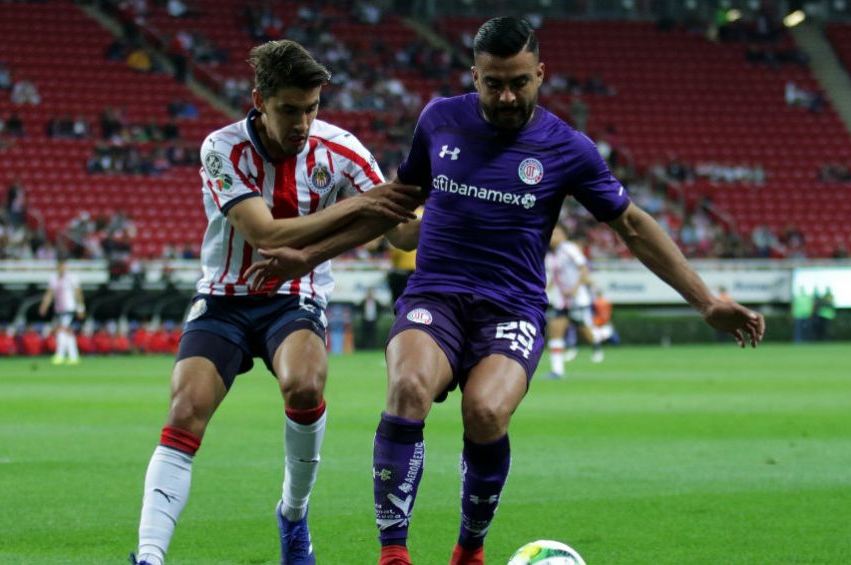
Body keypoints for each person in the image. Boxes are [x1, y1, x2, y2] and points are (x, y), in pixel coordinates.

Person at [243, 17, 764, 565]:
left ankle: (469, 550)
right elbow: (393, 208)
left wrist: (707, 301)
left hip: (511, 307)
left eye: (518, 81)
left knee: (486, 413)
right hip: (435, 295)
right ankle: (393, 555)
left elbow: (632, 224)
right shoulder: (440, 120)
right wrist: (307, 255)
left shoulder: (568, 148)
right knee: (407, 389)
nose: (506, 94)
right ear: (475, 75)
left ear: (540, 74)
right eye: (493, 82)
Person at [128, 40, 421, 565]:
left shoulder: (344, 149)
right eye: (290, 109)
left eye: (312, 108)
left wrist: (450, 205)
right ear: (259, 99)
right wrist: (359, 205)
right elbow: (263, 233)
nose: (303, 122)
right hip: (224, 298)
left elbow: (401, 236)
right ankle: (148, 555)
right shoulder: (221, 148)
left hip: (295, 298)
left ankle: (292, 514)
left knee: (305, 386)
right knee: (185, 409)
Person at [544, 224, 603, 378]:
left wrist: (575, 289)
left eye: (557, 233)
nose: (553, 237)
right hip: (562, 300)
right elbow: (554, 278)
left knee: (584, 330)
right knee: (555, 331)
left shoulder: (569, 249)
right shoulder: (550, 255)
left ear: (564, 235)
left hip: (577, 299)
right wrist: (543, 291)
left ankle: (596, 345)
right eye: (552, 234)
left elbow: (583, 268)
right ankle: (557, 371)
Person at [38, 258, 85, 365]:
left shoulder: (71, 278)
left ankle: (60, 355)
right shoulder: (54, 279)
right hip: (59, 309)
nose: (61, 268)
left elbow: (78, 293)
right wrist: (44, 305)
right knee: (67, 333)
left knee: (61, 331)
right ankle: (73, 356)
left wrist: (81, 308)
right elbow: (49, 293)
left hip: (69, 308)